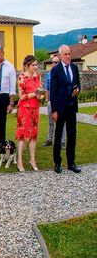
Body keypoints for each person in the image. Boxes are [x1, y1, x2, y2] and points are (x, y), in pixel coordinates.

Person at [50, 44, 81, 174]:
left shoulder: (74, 68)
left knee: (72, 135)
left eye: (69, 54)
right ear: (61, 55)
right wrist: (54, 110)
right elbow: (53, 91)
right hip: (60, 107)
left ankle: (71, 162)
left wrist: (77, 90)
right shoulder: (56, 70)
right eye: (66, 54)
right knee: (58, 135)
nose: (68, 56)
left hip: (71, 106)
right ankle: (57, 162)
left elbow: (78, 83)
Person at [15, 55, 43, 172]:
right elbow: (21, 96)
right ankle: (20, 161)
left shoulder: (37, 76)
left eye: (36, 64)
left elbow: (40, 91)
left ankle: (32, 160)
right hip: (24, 109)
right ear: (27, 65)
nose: (35, 67)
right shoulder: (21, 77)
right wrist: (34, 94)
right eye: (33, 65)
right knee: (22, 135)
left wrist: (40, 95)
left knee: (33, 135)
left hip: (35, 108)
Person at [0, 45, 17, 144]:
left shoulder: (10, 67)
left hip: (4, 96)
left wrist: (11, 103)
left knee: (2, 121)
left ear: (3, 53)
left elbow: (12, 86)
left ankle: (1, 142)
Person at [43, 55, 65, 148]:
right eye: (53, 62)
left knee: (61, 121)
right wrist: (47, 100)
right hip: (51, 101)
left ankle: (62, 141)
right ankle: (49, 139)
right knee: (51, 121)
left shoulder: (63, 74)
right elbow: (47, 88)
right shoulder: (49, 74)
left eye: (56, 62)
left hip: (60, 101)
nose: (54, 64)